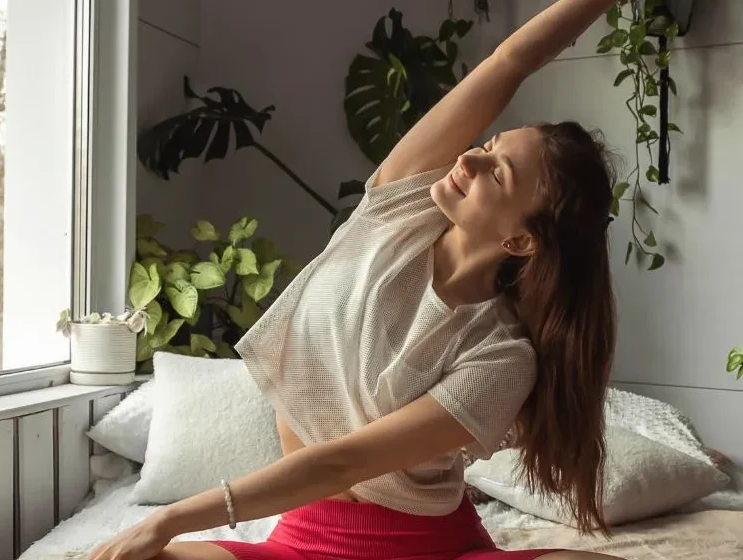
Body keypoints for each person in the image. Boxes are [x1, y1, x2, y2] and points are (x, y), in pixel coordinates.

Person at [90, 0, 624, 558]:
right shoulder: (399, 204)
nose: (469, 160)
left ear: (520, 241)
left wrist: (172, 520)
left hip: (425, 548)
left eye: (498, 172)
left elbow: (341, 461)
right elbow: (509, 60)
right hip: (302, 540)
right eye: (487, 146)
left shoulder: (502, 357)